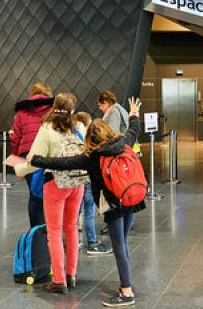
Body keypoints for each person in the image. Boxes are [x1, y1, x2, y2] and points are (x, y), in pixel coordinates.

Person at [32, 97, 146, 307]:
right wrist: (133, 112)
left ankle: (127, 291)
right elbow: (134, 128)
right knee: (124, 242)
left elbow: (63, 163)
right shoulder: (124, 142)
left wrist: (37, 160)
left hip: (112, 204)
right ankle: (125, 283)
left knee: (118, 245)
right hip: (132, 199)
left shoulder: (93, 156)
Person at [20, 92, 85, 294]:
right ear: (72, 110)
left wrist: (21, 171)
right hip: (78, 183)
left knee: (54, 232)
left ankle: (58, 280)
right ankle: (71, 275)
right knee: (72, 228)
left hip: (56, 184)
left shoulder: (47, 129)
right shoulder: (79, 127)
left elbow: (33, 158)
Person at [10, 82, 54, 227]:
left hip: (27, 154)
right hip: (48, 155)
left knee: (34, 195)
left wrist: (17, 165)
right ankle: (51, 229)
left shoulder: (22, 113)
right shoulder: (52, 110)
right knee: (50, 193)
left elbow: (15, 138)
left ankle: (36, 231)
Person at [73, 111, 112, 255]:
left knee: (76, 212)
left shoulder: (71, 134)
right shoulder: (87, 137)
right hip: (87, 179)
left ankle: (74, 240)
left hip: (75, 179)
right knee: (89, 212)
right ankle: (92, 242)